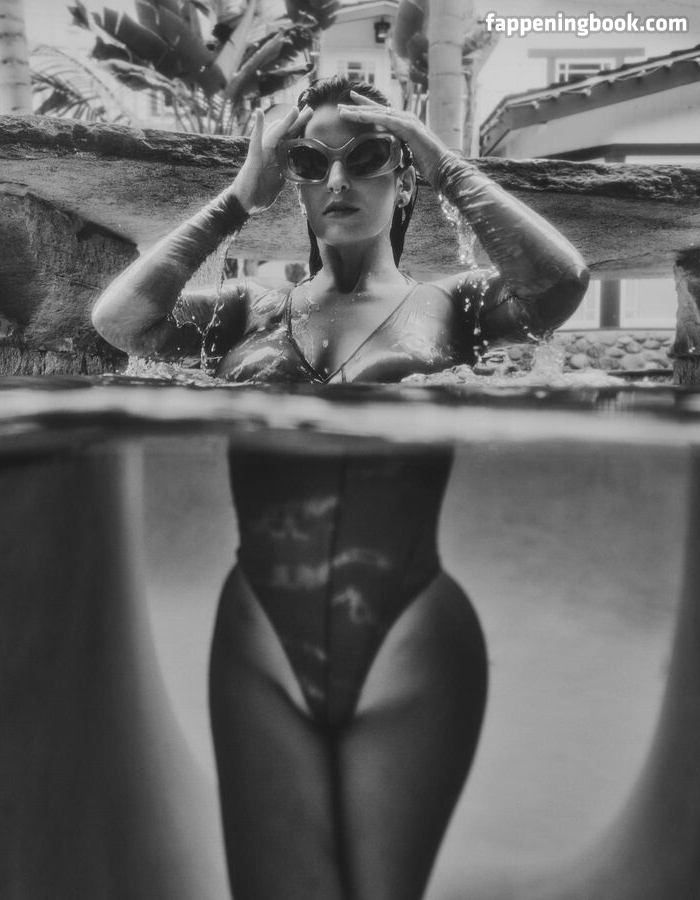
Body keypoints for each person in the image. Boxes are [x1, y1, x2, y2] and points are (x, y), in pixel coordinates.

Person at [92, 76, 589, 900]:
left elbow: (559, 282)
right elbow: (120, 324)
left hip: (411, 640)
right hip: (258, 642)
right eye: (309, 161)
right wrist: (236, 198)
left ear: (403, 177)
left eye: (367, 157)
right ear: (289, 179)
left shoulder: (453, 307)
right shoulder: (248, 309)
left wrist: (442, 159)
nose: (337, 180)